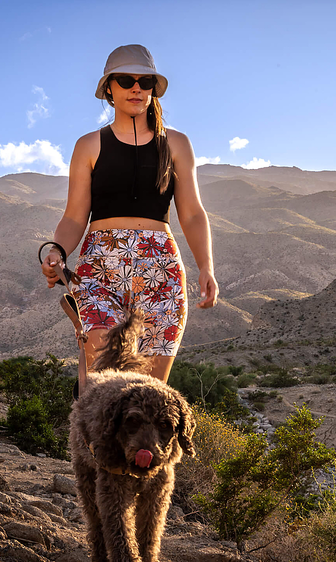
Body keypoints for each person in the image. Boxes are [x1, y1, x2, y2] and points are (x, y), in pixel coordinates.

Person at [41, 44, 218, 391]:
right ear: (109, 88)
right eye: (126, 80)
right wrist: (58, 251)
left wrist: (207, 266)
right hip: (100, 269)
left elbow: (193, 213)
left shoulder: (177, 145)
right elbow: (75, 216)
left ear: (153, 88)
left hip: (161, 270)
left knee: (148, 398)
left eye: (145, 81)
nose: (137, 88)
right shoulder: (89, 145)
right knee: (103, 386)